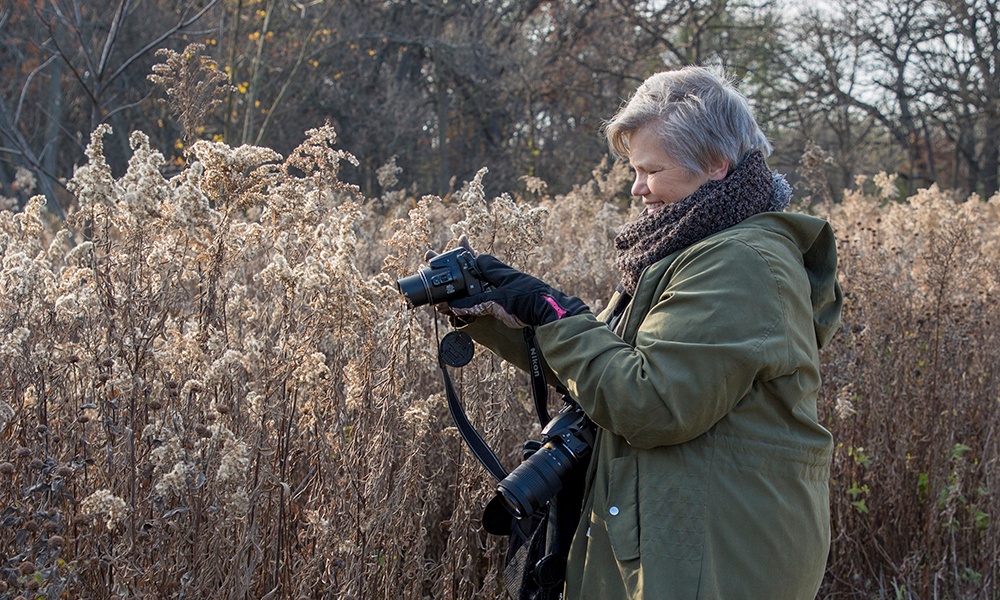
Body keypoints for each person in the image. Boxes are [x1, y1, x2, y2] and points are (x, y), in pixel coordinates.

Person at [443, 66, 843, 599]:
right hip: (675, 545)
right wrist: (490, 312)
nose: (636, 189)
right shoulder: (691, 251)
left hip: (713, 559)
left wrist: (554, 313)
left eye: (650, 170)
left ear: (717, 164)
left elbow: (651, 402)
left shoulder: (741, 262)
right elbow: (609, 373)